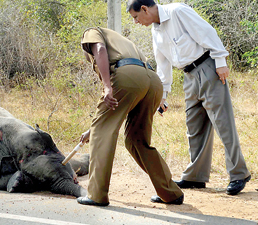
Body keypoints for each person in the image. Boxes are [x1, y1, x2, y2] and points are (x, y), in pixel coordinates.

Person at [126, 0, 251, 195]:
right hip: (189, 76)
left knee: (223, 123)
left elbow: (207, 33)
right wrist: (162, 96)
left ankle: (239, 174)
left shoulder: (178, 12)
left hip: (208, 68)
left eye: (135, 17)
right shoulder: (155, 30)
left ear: (144, 9)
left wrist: (221, 62)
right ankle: (196, 177)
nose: (136, 22)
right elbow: (163, 64)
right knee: (194, 126)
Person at [76, 27, 184, 206]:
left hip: (128, 76)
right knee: (137, 140)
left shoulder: (90, 32)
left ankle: (96, 194)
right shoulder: (121, 41)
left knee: (102, 134)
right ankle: (170, 193)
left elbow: (100, 50)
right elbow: (118, 109)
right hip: (152, 81)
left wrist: (107, 87)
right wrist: (93, 128)